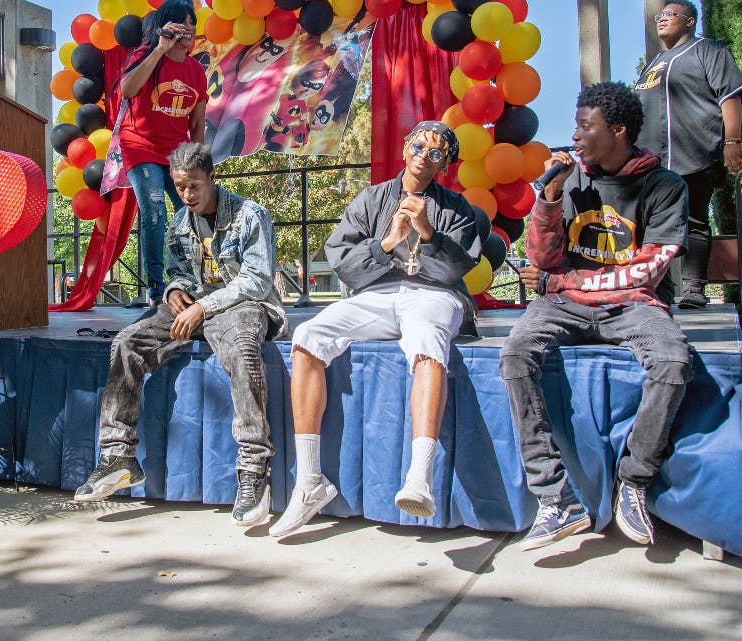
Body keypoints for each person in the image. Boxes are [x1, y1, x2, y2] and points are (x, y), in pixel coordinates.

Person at [501, 82, 693, 551]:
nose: (576, 134)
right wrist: (548, 198)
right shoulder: (572, 184)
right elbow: (543, 260)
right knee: (515, 351)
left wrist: (564, 283)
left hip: (634, 305)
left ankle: (635, 480)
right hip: (564, 307)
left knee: (672, 361)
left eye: (586, 126)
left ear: (619, 130)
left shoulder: (665, 187)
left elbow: (649, 268)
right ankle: (554, 496)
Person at [270, 121, 481, 539]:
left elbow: (458, 270)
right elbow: (341, 261)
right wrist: (386, 243)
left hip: (433, 295)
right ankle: (310, 479)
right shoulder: (372, 199)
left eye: (435, 153)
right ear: (405, 148)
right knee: (307, 337)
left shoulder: (458, 209)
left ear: (443, 165)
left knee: (426, 341)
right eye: (418, 146)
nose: (424, 155)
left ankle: (420, 476)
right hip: (379, 295)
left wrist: (426, 233)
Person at [74, 142, 287, 527]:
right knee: (127, 343)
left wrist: (202, 307)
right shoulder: (178, 223)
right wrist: (174, 291)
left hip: (240, 306)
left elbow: (255, 281)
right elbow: (179, 273)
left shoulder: (251, 216)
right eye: (180, 186)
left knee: (242, 349)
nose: (187, 195)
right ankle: (117, 456)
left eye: (194, 186)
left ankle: (255, 471)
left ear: (212, 178)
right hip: (194, 306)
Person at [634, 0, 742, 308]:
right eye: (660, 15)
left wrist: (733, 141)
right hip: (652, 163)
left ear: (690, 21)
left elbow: (730, 96)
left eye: (671, 14)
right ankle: (658, 290)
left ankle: (694, 288)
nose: (662, 20)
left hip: (695, 152)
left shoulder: (708, 51)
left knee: (694, 219)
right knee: (649, 226)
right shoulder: (652, 65)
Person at [119, 0, 208, 305]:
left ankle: (189, 280)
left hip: (177, 153)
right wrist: (159, 48)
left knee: (191, 209)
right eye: (181, 23)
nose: (188, 30)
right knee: (154, 210)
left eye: (191, 24)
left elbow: (197, 124)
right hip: (140, 145)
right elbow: (128, 91)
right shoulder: (146, 55)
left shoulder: (196, 71)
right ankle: (156, 289)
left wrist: (199, 164)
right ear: (166, 26)